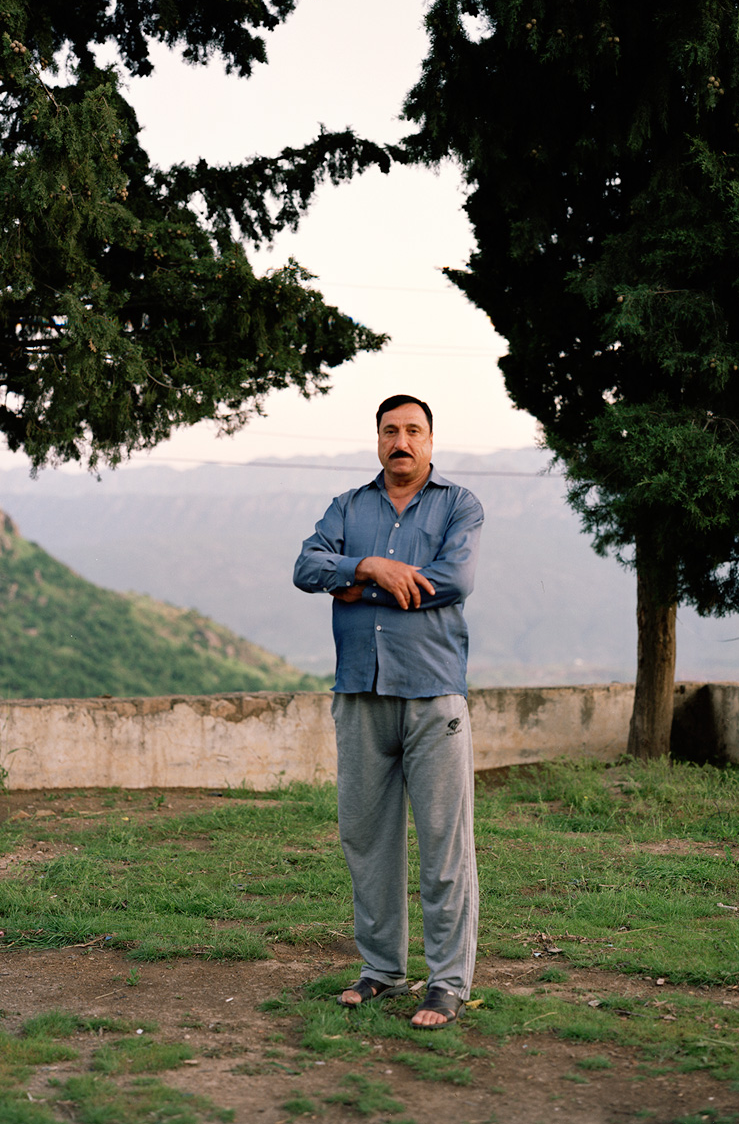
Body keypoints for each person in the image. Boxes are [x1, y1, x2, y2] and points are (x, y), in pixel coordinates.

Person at [293, 395, 484, 1028]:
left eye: (413, 430)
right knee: (366, 837)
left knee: (442, 842)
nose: (400, 441)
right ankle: (382, 970)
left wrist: (357, 586)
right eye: (390, 430)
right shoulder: (348, 506)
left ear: (431, 439)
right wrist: (369, 563)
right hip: (360, 690)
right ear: (377, 439)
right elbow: (306, 566)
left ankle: (448, 982)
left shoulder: (459, 505)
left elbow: (451, 580)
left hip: (432, 693)